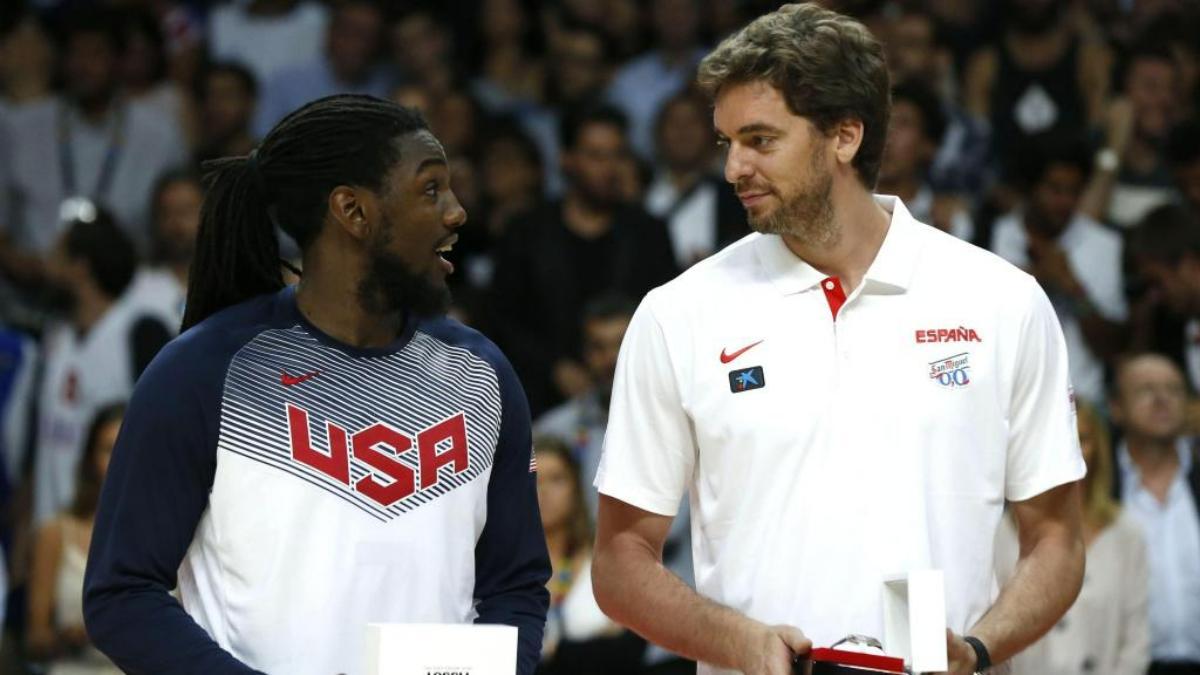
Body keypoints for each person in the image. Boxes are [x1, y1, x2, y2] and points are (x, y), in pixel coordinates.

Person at [590, 6, 1086, 675]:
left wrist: (976, 648)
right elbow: (620, 560)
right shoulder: (678, 314)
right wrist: (737, 641)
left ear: (845, 136)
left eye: (761, 140)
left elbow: (1056, 537)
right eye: (726, 142)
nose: (735, 167)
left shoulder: (1002, 301)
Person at [82, 95, 550, 675]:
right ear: (353, 212)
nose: (456, 212)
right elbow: (121, 593)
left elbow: (517, 584)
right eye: (430, 190)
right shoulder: (202, 372)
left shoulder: (484, 375)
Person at [492, 104, 678, 416]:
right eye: (595, 155)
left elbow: (668, 317)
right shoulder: (526, 232)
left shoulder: (648, 232)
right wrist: (554, 366)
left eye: (617, 155)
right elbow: (502, 319)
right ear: (567, 159)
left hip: (636, 399)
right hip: (541, 403)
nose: (608, 168)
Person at [32, 210, 171, 529]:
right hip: (49, 525)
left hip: (111, 530)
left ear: (80, 267)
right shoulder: (57, 334)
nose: (47, 264)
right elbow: (38, 439)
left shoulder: (140, 331)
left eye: (57, 255)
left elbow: (159, 436)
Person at [995, 400, 1151, 675]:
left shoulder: (1127, 532)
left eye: (1082, 438)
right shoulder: (1002, 533)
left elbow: (1136, 640)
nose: (1069, 448)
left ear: (1098, 449)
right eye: (1059, 437)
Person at [989, 135, 1127, 407]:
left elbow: (1110, 348)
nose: (1065, 202)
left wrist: (1072, 287)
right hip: (1007, 402)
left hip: (1082, 404)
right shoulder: (995, 233)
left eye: (1074, 191)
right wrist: (1036, 276)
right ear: (1030, 187)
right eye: (1054, 189)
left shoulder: (1104, 245)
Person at [1108, 354, 1200, 674]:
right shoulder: (1098, 489)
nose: (1162, 399)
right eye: (1146, 390)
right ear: (1116, 407)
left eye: (1174, 390)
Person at [27, 404, 125, 675]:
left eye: (125, 447)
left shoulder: (171, 535)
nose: (118, 460)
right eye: (108, 449)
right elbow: (34, 639)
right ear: (91, 459)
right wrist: (71, 637)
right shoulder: (56, 532)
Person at [534, 437, 642, 675]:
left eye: (556, 479)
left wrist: (561, 655)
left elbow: (630, 644)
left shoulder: (609, 561)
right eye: (534, 480)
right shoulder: (504, 570)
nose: (544, 492)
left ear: (575, 485)